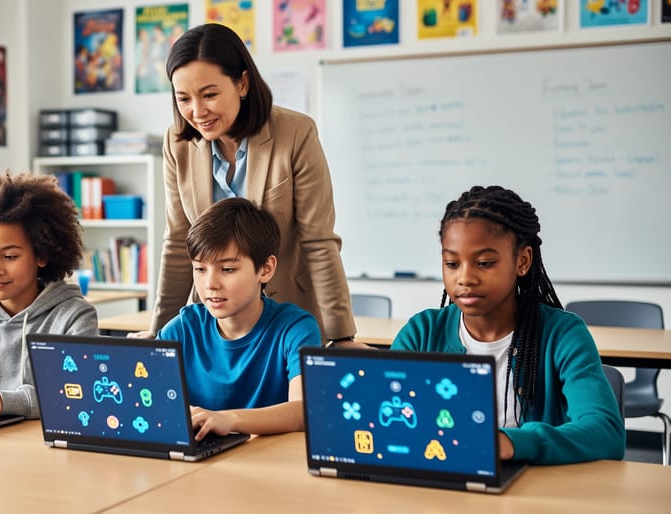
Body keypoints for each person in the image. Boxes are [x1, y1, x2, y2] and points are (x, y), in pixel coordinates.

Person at [141, 23, 358, 348]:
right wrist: (159, 333)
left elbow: (319, 241)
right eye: (183, 98)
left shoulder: (296, 134)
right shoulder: (177, 143)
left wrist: (341, 337)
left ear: (242, 83)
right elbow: (177, 242)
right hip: (213, 320)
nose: (197, 112)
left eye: (210, 94)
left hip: (285, 313)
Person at [390, 185, 625, 464]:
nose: (465, 278)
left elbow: (605, 432)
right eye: (452, 264)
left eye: (485, 263)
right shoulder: (422, 333)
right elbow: (390, 420)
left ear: (522, 261)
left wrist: (512, 443)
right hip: (443, 481)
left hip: (535, 491)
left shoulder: (562, 334)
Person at [0, 169, 98, 421]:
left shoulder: (74, 316)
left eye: (10, 256)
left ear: (42, 255)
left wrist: (1, 401)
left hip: (41, 448)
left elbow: (77, 392)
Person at [157, 197, 321, 440]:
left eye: (228, 269)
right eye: (200, 269)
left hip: (268, 467)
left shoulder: (295, 329)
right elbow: (151, 405)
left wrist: (229, 419)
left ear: (265, 269)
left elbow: (302, 411)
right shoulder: (179, 331)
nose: (210, 284)